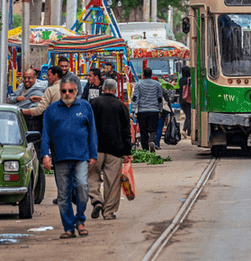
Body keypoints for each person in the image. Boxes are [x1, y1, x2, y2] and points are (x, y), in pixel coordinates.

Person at [41, 80, 98, 239]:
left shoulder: (85, 106)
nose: (67, 94)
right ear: (60, 91)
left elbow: (92, 131)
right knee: (63, 194)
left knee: (82, 186)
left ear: (76, 91)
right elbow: (45, 134)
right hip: (60, 158)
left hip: (81, 156)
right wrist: (45, 154)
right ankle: (68, 227)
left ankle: (80, 219)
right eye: (64, 91)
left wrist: (93, 154)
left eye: (70, 91)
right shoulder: (51, 110)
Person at [88, 79, 132, 221]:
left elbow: (86, 127)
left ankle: (96, 200)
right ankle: (108, 212)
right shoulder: (121, 106)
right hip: (115, 150)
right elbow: (126, 131)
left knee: (91, 177)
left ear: (103, 88)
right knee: (112, 182)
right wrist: (127, 152)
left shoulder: (93, 104)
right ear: (115, 90)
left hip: (95, 150)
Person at [131, 67, 163, 152]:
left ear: (143, 75)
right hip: (154, 111)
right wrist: (160, 110)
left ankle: (145, 149)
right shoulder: (156, 84)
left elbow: (135, 98)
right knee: (153, 130)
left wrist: (132, 111)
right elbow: (160, 98)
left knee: (143, 131)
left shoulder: (138, 84)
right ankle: (152, 141)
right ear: (151, 74)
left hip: (142, 111)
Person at [12, 68, 46, 133]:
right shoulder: (21, 87)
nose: (26, 80)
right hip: (19, 119)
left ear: (35, 77)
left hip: (32, 122)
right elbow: (11, 99)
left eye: (29, 78)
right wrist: (16, 98)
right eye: (24, 78)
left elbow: (37, 108)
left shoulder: (40, 88)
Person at [179, 66, 192, 138]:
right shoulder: (189, 80)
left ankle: (186, 131)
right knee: (189, 116)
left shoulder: (180, 80)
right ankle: (186, 131)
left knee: (187, 115)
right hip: (189, 100)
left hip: (182, 100)